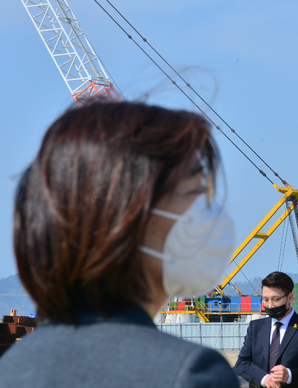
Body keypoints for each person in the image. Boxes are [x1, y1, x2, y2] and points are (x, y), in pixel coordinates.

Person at [0, 100, 239, 387]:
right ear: (127, 216)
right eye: (194, 192)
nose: (209, 213)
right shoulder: (189, 373)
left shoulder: (14, 367)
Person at [234, 272, 298, 387]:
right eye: (265, 300)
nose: (270, 305)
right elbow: (242, 364)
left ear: (289, 298)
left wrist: (289, 375)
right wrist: (264, 379)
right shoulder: (255, 327)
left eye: (276, 299)